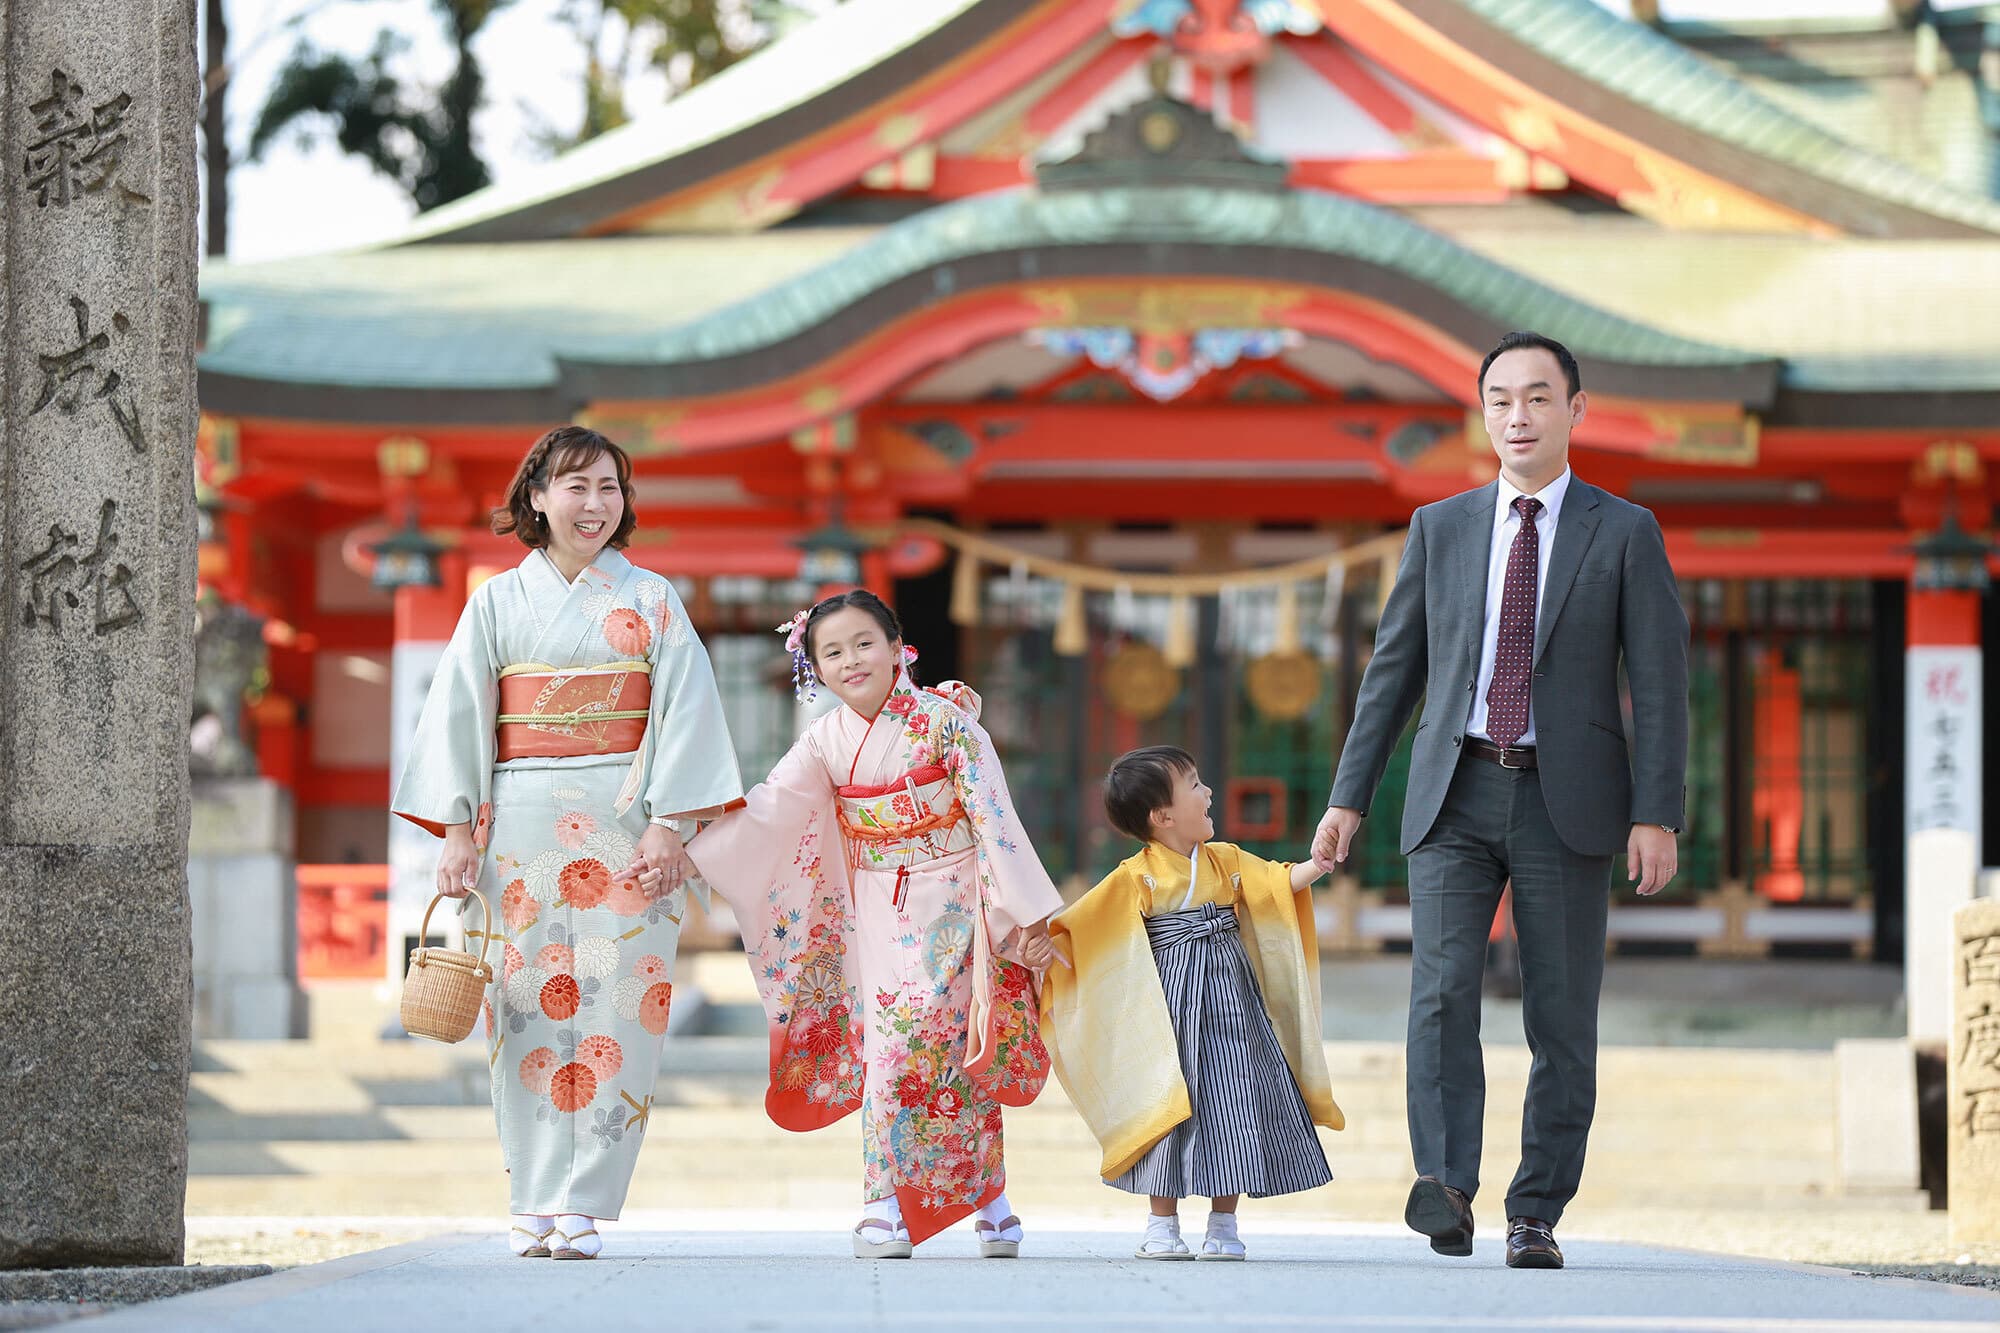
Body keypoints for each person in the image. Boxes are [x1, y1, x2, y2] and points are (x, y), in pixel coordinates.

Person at [1315, 332, 1689, 1270]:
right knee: (1439, 994)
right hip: (1455, 789)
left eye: (1535, 398)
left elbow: (1661, 678)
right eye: (1498, 400)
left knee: (1560, 1014)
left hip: (1570, 800)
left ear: (1575, 410)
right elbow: (1392, 673)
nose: (1516, 417)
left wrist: (1659, 811)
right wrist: (1348, 797)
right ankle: (1445, 1184)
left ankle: (1537, 1210)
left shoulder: (1624, 529)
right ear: (1482, 413)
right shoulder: (1440, 528)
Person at [391, 425, 744, 1261]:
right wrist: (454, 826)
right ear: (537, 497)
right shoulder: (494, 602)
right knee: (524, 1000)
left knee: (621, 998)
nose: (594, 504)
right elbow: (461, 716)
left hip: (626, 827)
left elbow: (688, 714)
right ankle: (533, 1190)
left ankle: (585, 1196)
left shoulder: (653, 598)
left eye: (610, 488)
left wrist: (669, 823)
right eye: (575, 486)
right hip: (518, 823)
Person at [683, 591, 1062, 1258]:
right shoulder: (825, 740)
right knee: (889, 1048)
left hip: (954, 903)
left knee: (956, 1047)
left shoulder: (949, 727)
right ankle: (891, 1201)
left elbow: (996, 822)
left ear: (897, 647)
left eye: (864, 642)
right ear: (816, 671)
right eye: (831, 652)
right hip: (872, 908)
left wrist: (1026, 916)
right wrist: (688, 846)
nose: (851, 660)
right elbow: (770, 810)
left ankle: (987, 1196)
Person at [1042, 746, 1343, 1262]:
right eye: (1195, 785)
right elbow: (1081, 927)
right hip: (1168, 1009)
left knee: (1237, 1101)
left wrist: (1318, 863)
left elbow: (1276, 884)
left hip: (1233, 1003)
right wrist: (1034, 943)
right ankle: (1162, 1224)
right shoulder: (1135, 876)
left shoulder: (1224, 859)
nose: (1208, 793)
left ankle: (1223, 1223)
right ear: (1163, 817)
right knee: (1167, 1101)